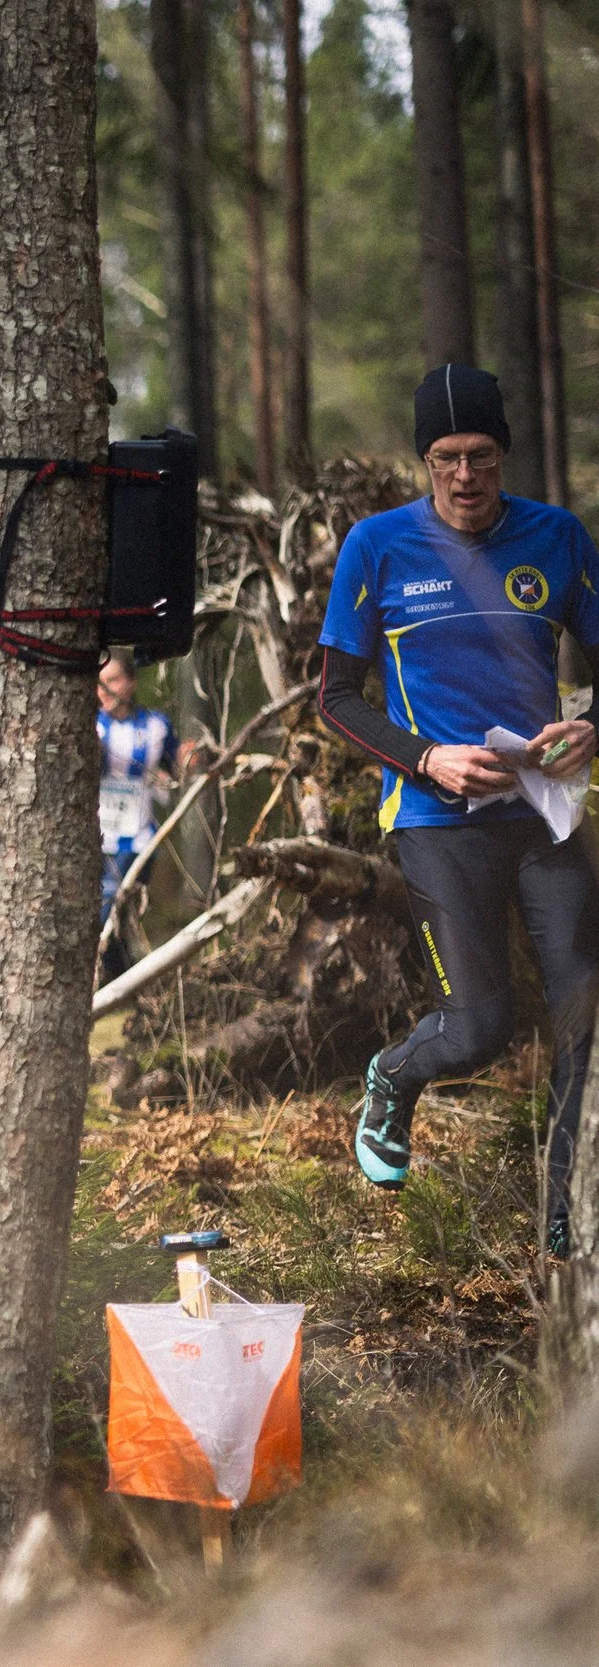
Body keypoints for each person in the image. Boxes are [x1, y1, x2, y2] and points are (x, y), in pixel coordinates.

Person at [317, 364, 599, 1254]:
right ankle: (395, 1078)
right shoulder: (378, 546)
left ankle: (565, 1218)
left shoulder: (560, 538)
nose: (465, 476)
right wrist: (428, 756)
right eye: (445, 459)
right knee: (478, 1027)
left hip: (543, 814)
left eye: (480, 455)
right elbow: (334, 695)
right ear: (424, 462)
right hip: (435, 820)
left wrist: (590, 725)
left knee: (583, 1010)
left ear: (503, 453)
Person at [97, 653, 182, 981]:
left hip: (139, 836)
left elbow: (178, 770)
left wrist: (188, 762)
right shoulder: (88, 723)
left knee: (118, 902)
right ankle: (116, 977)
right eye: (98, 682)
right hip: (95, 834)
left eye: (113, 680)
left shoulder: (156, 725)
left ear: (131, 683)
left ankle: (115, 978)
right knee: (104, 905)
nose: (103, 690)